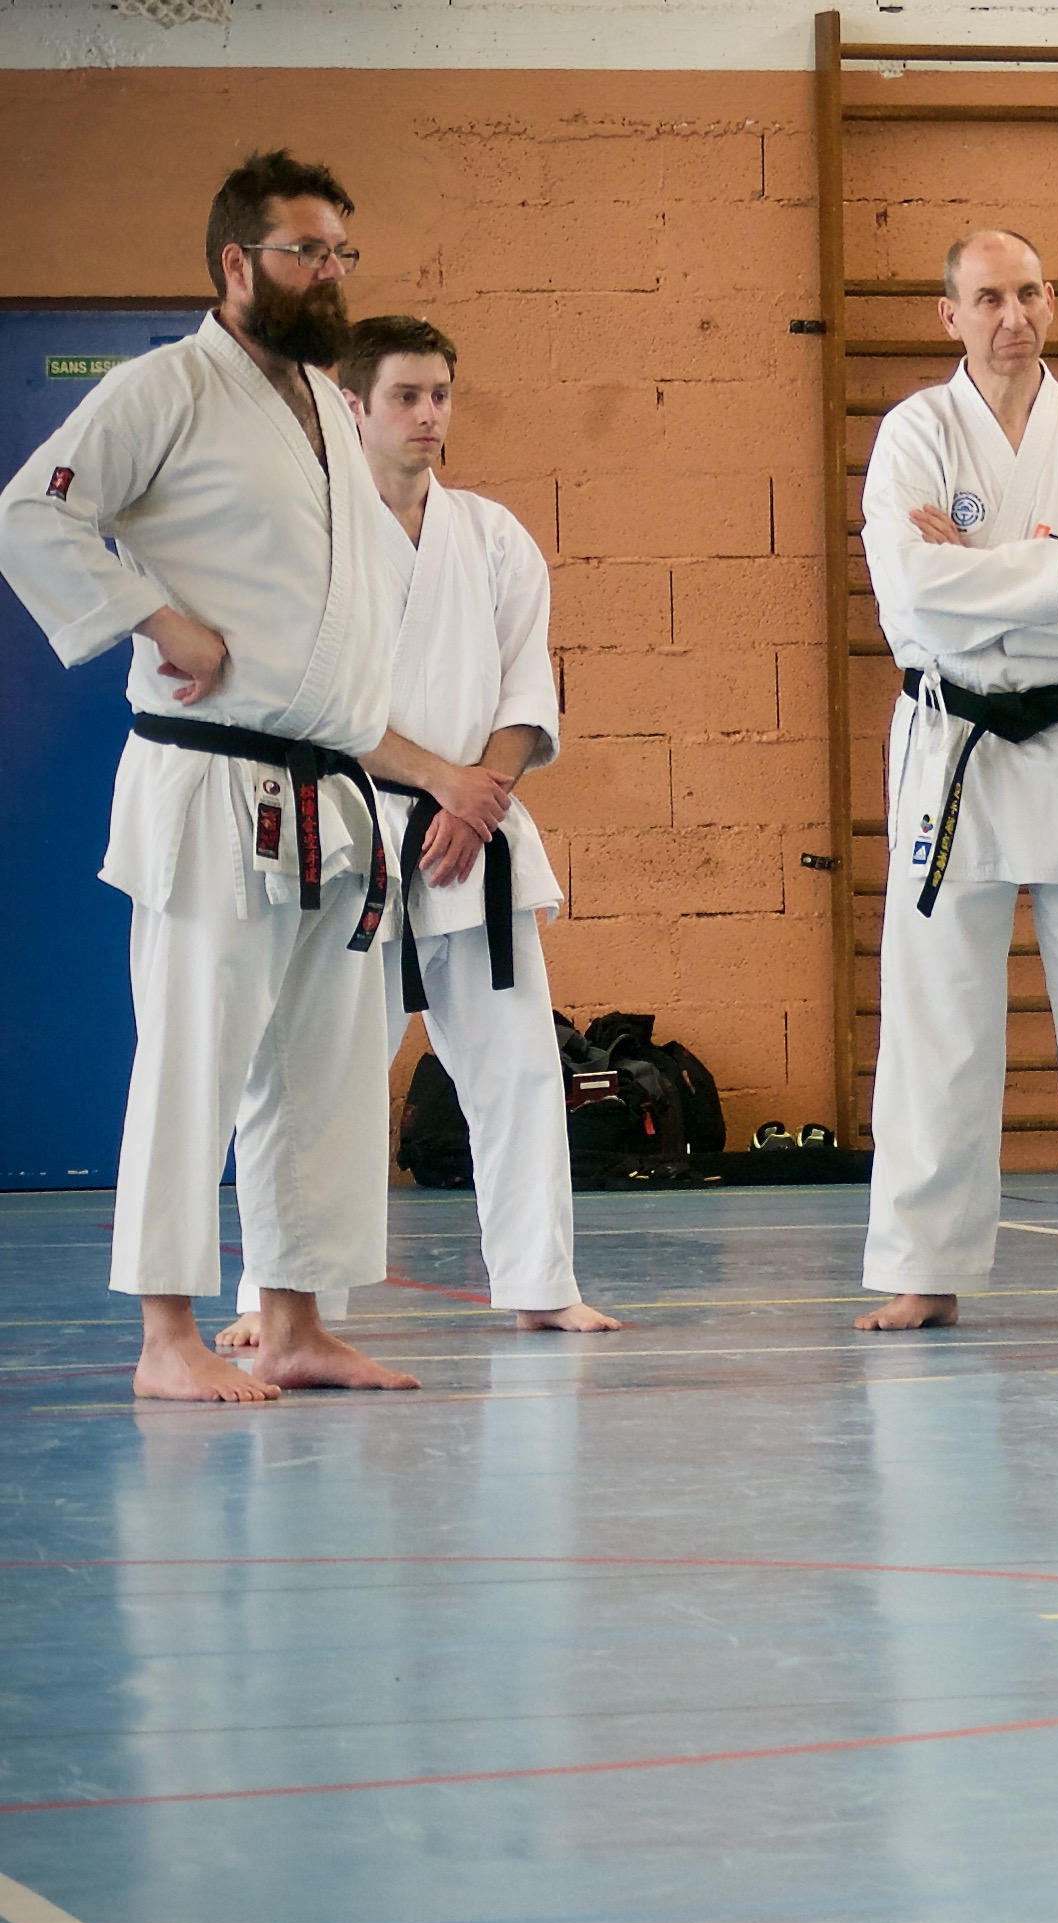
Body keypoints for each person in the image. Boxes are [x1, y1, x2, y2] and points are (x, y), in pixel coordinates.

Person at [0, 151, 414, 1402]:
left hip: (326, 790)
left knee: (320, 1075)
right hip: (215, 785)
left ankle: (294, 1321)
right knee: (193, 1060)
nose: (330, 273)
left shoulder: (329, 403)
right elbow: (30, 513)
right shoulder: (164, 388)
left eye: (341, 252)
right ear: (237, 262)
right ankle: (165, 1336)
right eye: (306, 252)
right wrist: (150, 616)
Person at [214, 317, 620, 1348]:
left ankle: (541, 1281)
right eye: (406, 395)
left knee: (519, 1068)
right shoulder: (307, 538)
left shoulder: (492, 536)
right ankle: (276, 1296)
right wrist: (448, 783)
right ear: (352, 405)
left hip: (475, 839)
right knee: (308, 1074)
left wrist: (481, 793)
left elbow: (527, 689)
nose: (430, 414)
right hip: (349, 834)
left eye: (441, 393)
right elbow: (315, 703)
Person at [854, 229, 1058, 1334]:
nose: (1011, 317)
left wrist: (984, 570)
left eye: (1028, 293)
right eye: (987, 298)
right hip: (955, 743)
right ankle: (924, 1265)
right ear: (950, 314)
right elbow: (911, 594)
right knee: (937, 1017)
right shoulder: (914, 433)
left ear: (1051, 301)